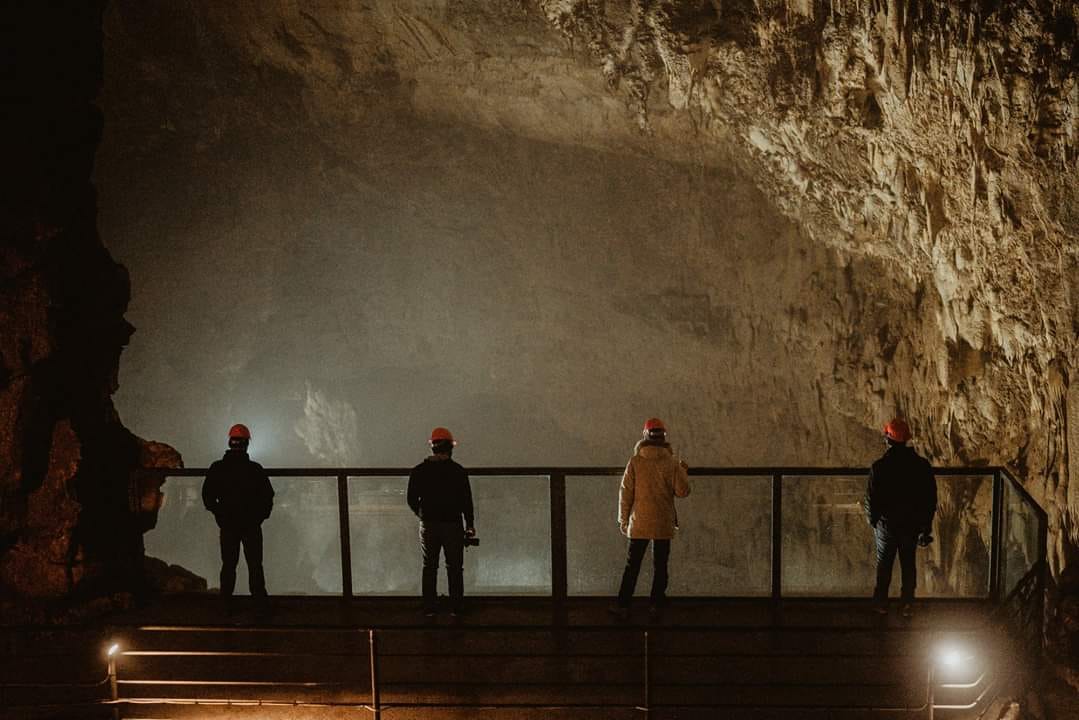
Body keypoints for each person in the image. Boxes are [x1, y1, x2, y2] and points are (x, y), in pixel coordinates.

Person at [611, 418, 691, 620]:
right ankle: (656, 603)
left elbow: (625, 493)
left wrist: (623, 520)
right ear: (664, 439)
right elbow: (683, 491)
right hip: (663, 521)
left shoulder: (635, 462)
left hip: (639, 522)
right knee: (660, 564)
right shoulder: (671, 463)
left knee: (632, 565)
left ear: (644, 437)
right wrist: (682, 470)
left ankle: (623, 605)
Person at [864, 418, 937, 618]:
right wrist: (925, 526)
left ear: (888, 440)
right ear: (906, 439)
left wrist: (873, 521)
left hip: (887, 525)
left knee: (884, 564)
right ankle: (907, 604)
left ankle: (881, 603)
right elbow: (929, 498)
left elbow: (871, 498)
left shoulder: (879, 467)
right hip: (911, 524)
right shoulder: (921, 466)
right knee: (908, 564)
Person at [202, 423, 274, 612]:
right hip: (251, 525)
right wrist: (259, 517)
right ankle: (259, 604)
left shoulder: (217, 468)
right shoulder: (255, 470)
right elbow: (268, 497)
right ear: (246, 444)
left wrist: (220, 515)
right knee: (255, 565)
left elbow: (208, 497)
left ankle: (226, 603)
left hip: (228, 524)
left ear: (229, 442)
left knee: (228, 565)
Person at [407, 427, 475, 617]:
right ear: (450, 448)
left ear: (432, 447)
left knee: (430, 566)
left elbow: (411, 498)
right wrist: (469, 525)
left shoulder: (419, 471)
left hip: (428, 523)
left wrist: (421, 513)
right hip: (452, 524)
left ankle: (429, 607)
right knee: (454, 567)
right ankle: (456, 606)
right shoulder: (458, 471)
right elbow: (466, 501)